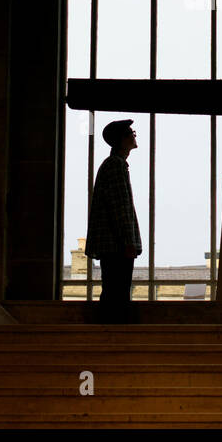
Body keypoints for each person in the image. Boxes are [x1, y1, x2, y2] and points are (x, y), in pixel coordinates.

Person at [86, 119, 142, 322]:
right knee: (117, 292)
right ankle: (112, 332)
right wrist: (128, 242)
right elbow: (121, 208)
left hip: (110, 244)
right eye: (130, 132)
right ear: (121, 139)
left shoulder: (113, 165)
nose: (134, 135)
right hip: (116, 245)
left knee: (111, 289)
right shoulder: (116, 166)